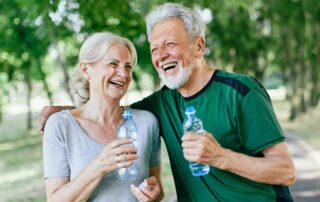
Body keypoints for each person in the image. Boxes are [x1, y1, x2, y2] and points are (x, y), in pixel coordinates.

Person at [39, 3, 296, 202]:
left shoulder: (240, 92)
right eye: (154, 49)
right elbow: (108, 109)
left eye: (170, 44)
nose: (161, 55)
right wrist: (63, 112)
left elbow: (286, 171)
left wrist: (220, 156)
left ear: (198, 45)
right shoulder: (161, 103)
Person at [42, 32, 163, 202]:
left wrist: (154, 193)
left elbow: (158, 188)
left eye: (128, 67)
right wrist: (99, 166)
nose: (123, 74)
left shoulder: (147, 123)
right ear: (86, 70)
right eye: (113, 64)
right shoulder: (59, 126)